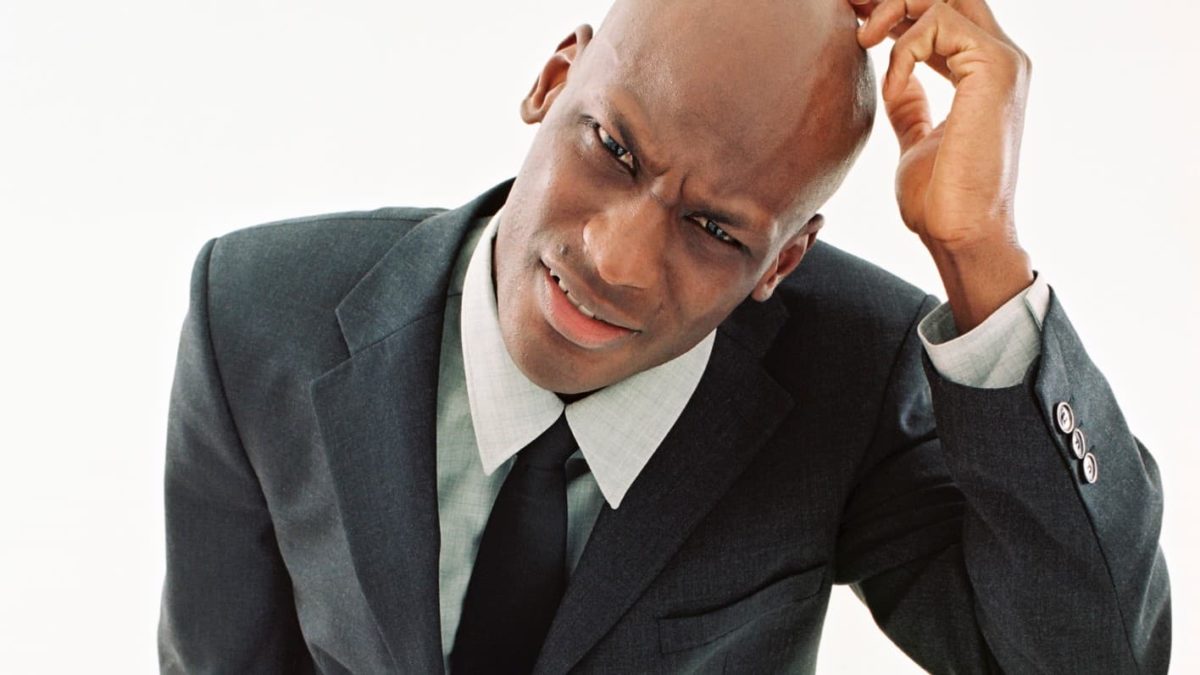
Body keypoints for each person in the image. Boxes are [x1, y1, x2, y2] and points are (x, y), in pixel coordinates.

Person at [157, 0, 1171, 671]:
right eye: (614, 148)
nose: (618, 260)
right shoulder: (258, 312)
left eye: (716, 228)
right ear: (555, 78)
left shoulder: (852, 379)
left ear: (782, 262)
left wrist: (979, 253)